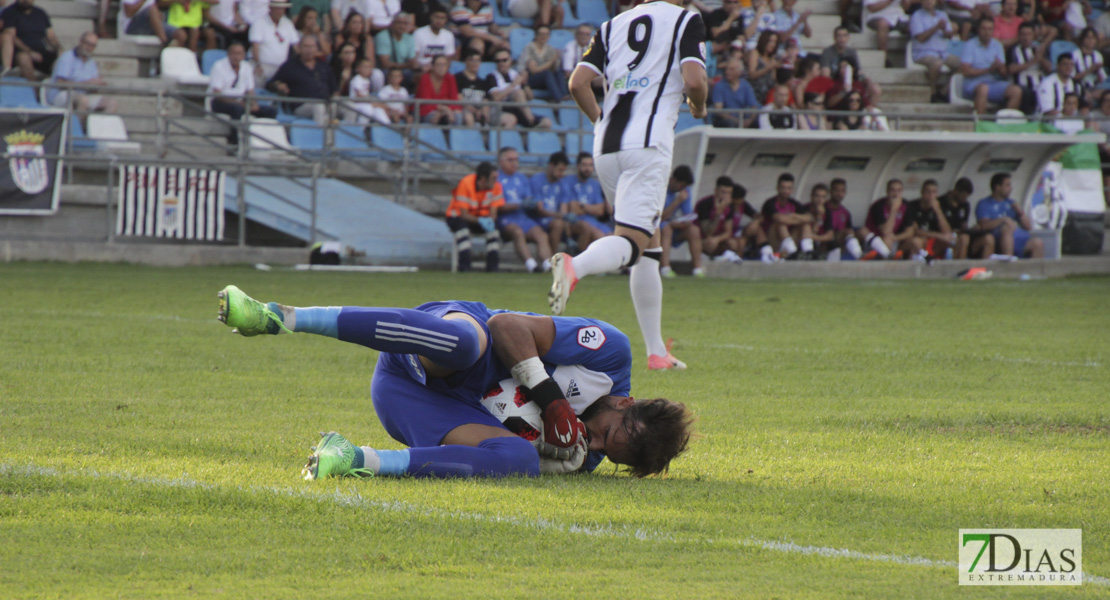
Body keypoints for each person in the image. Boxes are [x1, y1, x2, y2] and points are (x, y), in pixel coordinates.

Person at [215, 285, 694, 478]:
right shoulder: (608, 353)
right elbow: (507, 327)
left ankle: (353, 458)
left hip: (411, 399)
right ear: (626, 401)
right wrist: (551, 402)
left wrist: (551, 453)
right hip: (453, 346)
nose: (593, 444)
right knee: (468, 345)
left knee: (517, 461)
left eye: (606, 454)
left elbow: (521, 451)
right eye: (607, 434)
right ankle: (280, 317)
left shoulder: (582, 456)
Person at [554, 0, 708, 371]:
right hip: (648, 144)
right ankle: (575, 267)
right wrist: (698, 107)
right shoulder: (686, 19)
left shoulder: (612, 25)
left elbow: (578, 82)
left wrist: (599, 121)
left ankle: (656, 352)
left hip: (606, 145)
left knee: (649, 245)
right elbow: (694, 81)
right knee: (633, 242)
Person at [496, 146, 552, 273]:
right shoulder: (496, 179)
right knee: (517, 232)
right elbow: (498, 206)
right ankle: (531, 265)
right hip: (506, 218)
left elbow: (529, 199)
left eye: (516, 160)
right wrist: (520, 204)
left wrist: (534, 203)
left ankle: (548, 265)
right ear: (501, 161)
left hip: (522, 217)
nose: (514, 163)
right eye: (510, 160)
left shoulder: (522, 178)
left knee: (541, 234)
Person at [208, 40, 278, 142]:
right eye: (234, 53)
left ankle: (265, 142)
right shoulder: (219, 66)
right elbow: (217, 94)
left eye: (239, 54)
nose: (236, 57)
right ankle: (234, 144)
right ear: (228, 54)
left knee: (270, 111)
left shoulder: (247, 67)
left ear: (244, 55)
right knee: (237, 109)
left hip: (242, 102)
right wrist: (239, 103)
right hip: (221, 102)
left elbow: (250, 91)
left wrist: (252, 104)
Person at [46, 32, 118, 124]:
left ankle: (98, 131)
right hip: (60, 95)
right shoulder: (67, 57)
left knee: (111, 103)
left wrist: (97, 85)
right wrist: (86, 84)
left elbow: (92, 89)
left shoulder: (91, 63)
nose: (89, 47)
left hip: (83, 95)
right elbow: (60, 83)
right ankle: (76, 133)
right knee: (83, 100)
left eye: (93, 46)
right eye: (87, 43)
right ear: (80, 42)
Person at [446, 161, 504, 272]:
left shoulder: (496, 187)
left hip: (479, 219)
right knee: (462, 229)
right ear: (483, 179)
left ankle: (493, 268)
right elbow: (463, 214)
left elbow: (493, 212)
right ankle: (465, 267)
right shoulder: (466, 183)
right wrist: (481, 220)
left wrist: (490, 221)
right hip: (457, 217)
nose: (496, 181)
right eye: (493, 178)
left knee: (494, 231)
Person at [267, 36, 336, 124]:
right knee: (319, 107)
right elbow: (269, 84)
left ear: (316, 48)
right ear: (299, 48)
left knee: (349, 106)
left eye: (312, 46)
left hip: (327, 104)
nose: (309, 50)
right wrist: (278, 85)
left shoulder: (324, 66)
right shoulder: (290, 66)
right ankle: (321, 136)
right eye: (306, 46)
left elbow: (334, 89)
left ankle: (348, 136)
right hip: (302, 107)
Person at [960, 17, 1023, 114]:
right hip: (973, 83)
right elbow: (965, 71)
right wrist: (988, 70)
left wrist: (1000, 68)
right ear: (978, 29)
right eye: (984, 29)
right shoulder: (970, 45)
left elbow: (1003, 72)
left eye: (990, 29)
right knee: (983, 88)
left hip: (993, 82)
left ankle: (1004, 124)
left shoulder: (997, 45)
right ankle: (980, 124)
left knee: (1016, 91)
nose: (987, 32)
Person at [974, 172, 1044, 259]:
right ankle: (1008, 261)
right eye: (1007, 185)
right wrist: (1004, 220)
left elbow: (1028, 226)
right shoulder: (984, 203)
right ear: (997, 187)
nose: (1010, 188)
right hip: (998, 239)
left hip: (1017, 239)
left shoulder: (1011, 203)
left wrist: (1020, 212)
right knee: (1006, 229)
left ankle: (1033, 272)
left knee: (1037, 243)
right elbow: (984, 225)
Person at [659, 165, 705, 278]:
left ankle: (697, 269)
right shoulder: (660, 188)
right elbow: (661, 217)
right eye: (682, 185)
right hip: (658, 227)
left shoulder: (685, 191)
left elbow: (688, 214)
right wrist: (677, 201)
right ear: (673, 180)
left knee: (694, 230)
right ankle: (665, 268)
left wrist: (685, 223)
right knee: (666, 228)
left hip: (674, 226)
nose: (682, 189)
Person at [562, 153, 612, 253]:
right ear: (578, 166)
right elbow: (573, 209)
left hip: (594, 221)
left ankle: (625, 268)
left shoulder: (595, 184)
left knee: (613, 237)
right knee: (600, 237)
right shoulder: (568, 182)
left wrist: (583, 206)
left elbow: (601, 210)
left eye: (590, 165)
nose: (587, 168)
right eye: (584, 165)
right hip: (575, 222)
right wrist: (592, 208)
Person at [859, 178, 920, 260]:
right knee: (887, 240)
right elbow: (886, 232)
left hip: (895, 240)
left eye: (899, 191)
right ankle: (888, 262)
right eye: (893, 190)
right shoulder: (878, 205)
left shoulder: (906, 205)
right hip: (876, 242)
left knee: (916, 241)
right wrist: (893, 209)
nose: (896, 194)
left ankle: (910, 267)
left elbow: (909, 232)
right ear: (887, 191)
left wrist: (895, 237)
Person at [1, 0, 62, 80]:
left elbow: (51, 36)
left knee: (62, 57)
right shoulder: (9, 12)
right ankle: (34, 90)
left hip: (41, 50)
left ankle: (55, 87)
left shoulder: (41, 13)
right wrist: (29, 51)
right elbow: (12, 36)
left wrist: (60, 49)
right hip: (20, 51)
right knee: (23, 58)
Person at [489, 47, 549, 128]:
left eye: (504, 60)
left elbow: (530, 97)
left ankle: (532, 125)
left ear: (510, 60)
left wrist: (525, 83)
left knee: (547, 122)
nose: (501, 63)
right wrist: (514, 84)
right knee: (518, 93)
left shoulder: (515, 74)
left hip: (519, 110)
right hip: (502, 109)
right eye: (498, 61)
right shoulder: (491, 77)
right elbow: (496, 98)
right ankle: (531, 120)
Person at [760, 172, 814, 260]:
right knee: (780, 224)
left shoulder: (793, 203)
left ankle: (809, 252)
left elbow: (810, 217)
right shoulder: (770, 203)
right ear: (778, 188)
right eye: (783, 188)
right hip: (773, 240)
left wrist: (794, 215)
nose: (786, 191)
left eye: (789, 188)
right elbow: (779, 218)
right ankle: (792, 253)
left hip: (790, 238)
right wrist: (798, 219)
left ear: (792, 189)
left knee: (805, 224)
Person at [910, 0, 955, 102]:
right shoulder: (916, 16)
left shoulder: (942, 14)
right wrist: (936, 27)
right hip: (923, 53)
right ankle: (932, 91)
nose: (928, 2)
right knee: (937, 63)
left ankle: (944, 91)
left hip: (943, 53)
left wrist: (944, 30)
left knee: (963, 64)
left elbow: (950, 36)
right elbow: (920, 38)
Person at [939, 177, 994, 259]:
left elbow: (963, 225)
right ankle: (960, 267)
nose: (965, 199)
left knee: (988, 238)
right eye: (964, 196)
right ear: (956, 191)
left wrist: (973, 229)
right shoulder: (941, 203)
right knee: (964, 238)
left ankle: (984, 268)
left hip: (962, 234)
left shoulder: (965, 205)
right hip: (947, 237)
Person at [810, 178, 863, 260]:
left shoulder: (845, 212)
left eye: (842, 191)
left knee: (853, 232)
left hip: (837, 242)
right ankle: (859, 255)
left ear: (845, 193)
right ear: (830, 192)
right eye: (836, 190)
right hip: (821, 240)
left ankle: (859, 255)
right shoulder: (823, 207)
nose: (839, 194)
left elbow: (850, 232)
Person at [529, 152, 571, 254]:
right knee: (558, 224)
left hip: (555, 220)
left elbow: (563, 210)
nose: (562, 174)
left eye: (563, 171)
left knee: (562, 224)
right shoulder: (536, 180)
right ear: (551, 166)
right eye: (560, 170)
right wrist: (561, 215)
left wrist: (564, 219)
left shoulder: (563, 184)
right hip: (537, 219)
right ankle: (552, 259)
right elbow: (540, 210)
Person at [906, 179, 958, 261]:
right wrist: (939, 235)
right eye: (928, 192)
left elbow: (947, 231)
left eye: (934, 192)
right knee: (917, 241)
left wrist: (938, 211)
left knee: (952, 239)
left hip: (934, 242)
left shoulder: (940, 206)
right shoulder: (912, 206)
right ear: (922, 193)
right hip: (918, 240)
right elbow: (915, 231)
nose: (931, 195)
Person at [250, 0, 300, 81]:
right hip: (263, 65)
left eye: (282, 9)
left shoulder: (288, 23)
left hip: (281, 68)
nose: (280, 11)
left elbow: (296, 46)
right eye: (277, 8)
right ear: (270, 8)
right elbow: (255, 47)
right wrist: (258, 64)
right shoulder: (259, 23)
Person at [519, 25, 569, 101]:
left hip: (546, 80)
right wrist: (552, 61)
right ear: (536, 35)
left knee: (558, 71)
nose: (543, 36)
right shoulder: (529, 48)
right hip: (531, 78)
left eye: (546, 34)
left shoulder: (550, 49)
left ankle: (564, 95)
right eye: (541, 34)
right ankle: (559, 99)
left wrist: (555, 61)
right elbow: (534, 70)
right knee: (546, 73)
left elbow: (554, 68)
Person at [1009, 21, 1052, 105]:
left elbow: (1050, 69)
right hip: (1023, 86)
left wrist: (1041, 59)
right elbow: (1011, 69)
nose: (1026, 37)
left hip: (1040, 85)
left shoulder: (1039, 48)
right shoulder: (1013, 50)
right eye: (1023, 34)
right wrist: (1032, 62)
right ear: (1019, 35)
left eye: (1029, 34)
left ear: (1033, 36)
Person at [709, 57, 759, 127]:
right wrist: (737, 121)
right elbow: (718, 110)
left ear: (739, 72)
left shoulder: (746, 85)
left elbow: (754, 106)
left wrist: (750, 120)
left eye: (731, 69)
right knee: (730, 124)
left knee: (757, 122)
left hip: (743, 118)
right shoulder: (719, 86)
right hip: (726, 120)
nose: (727, 72)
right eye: (726, 69)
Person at [415, 54, 465, 124]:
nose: (442, 67)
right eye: (439, 65)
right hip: (427, 110)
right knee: (435, 116)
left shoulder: (450, 78)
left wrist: (447, 110)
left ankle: (455, 135)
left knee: (458, 115)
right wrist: (443, 109)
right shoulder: (425, 78)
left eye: (444, 65)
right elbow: (426, 101)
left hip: (447, 109)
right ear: (432, 66)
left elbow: (454, 100)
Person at [375, 13, 420, 84]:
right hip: (387, 71)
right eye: (399, 23)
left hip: (404, 70)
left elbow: (412, 61)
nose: (402, 26)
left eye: (405, 23)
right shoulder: (383, 36)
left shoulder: (409, 38)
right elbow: (385, 64)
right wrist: (406, 65)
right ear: (392, 24)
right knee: (404, 73)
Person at [455, 48, 494, 126]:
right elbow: (459, 99)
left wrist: (483, 111)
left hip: (480, 112)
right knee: (468, 117)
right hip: (464, 110)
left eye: (477, 60)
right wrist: (475, 111)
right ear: (465, 61)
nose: (475, 63)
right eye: (472, 60)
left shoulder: (483, 82)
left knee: (488, 115)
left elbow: (486, 100)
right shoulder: (457, 78)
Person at [117, 0, 182, 47]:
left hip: (150, 26)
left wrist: (158, 15)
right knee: (152, 9)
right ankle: (164, 43)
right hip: (132, 26)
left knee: (180, 35)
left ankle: (169, 59)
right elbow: (129, 13)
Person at [349, 57, 393, 123]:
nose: (367, 69)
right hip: (355, 104)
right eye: (365, 67)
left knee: (379, 110)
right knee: (367, 108)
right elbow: (359, 95)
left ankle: (388, 128)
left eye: (369, 67)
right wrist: (373, 103)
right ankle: (360, 130)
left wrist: (375, 104)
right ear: (358, 68)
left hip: (365, 103)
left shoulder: (367, 80)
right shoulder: (357, 79)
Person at [413, 5, 456, 70]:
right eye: (437, 17)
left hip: (440, 69)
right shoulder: (419, 33)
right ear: (431, 17)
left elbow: (448, 58)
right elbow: (414, 58)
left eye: (442, 18)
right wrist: (422, 67)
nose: (439, 21)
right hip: (422, 69)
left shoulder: (449, 35)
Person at [1072, 27, 1106, 103]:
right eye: (1088, 37)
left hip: (1094, 87)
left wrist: (1098, 71)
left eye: (1093, 38)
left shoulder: (1098, 55)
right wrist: (1090, 70)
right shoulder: (1075, 55)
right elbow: (1073, 77)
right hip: (1080, 86)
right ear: (1082, 39)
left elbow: (1101, 79)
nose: (1091, 40)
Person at [746, 30, 780, 104]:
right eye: (771, 41)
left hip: (767, 96)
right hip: (755, 93)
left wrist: (774, 67)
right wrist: (768, 67)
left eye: (775, 42)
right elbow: (751, 74)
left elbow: (773, 79)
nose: (773, 44)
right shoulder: (755, 53)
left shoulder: (772, 58)